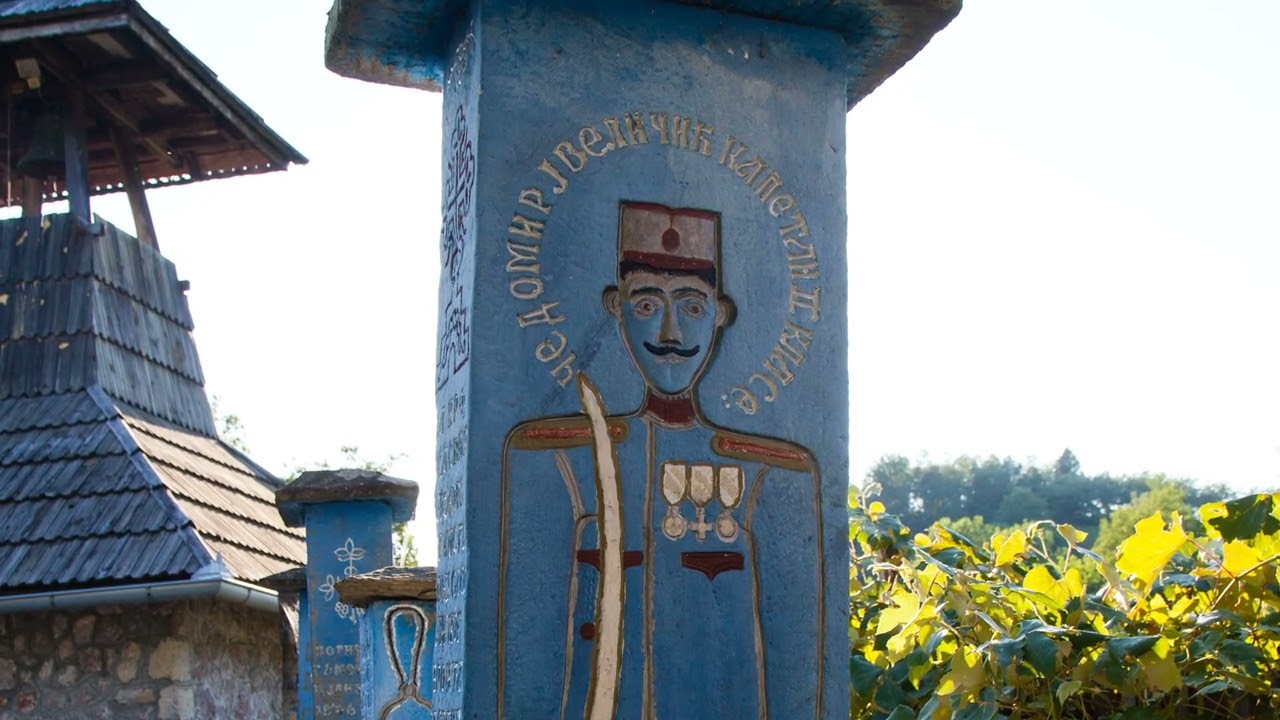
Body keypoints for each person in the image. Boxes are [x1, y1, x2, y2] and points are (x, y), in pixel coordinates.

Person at [498, 202, 824, 720]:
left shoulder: (769, 472)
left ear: (720, 313)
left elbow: (796, 656)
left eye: (692, 307)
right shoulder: (558, 458)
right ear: (616, 307)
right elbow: (524, 647)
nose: (671, 334)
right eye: (648, 305)